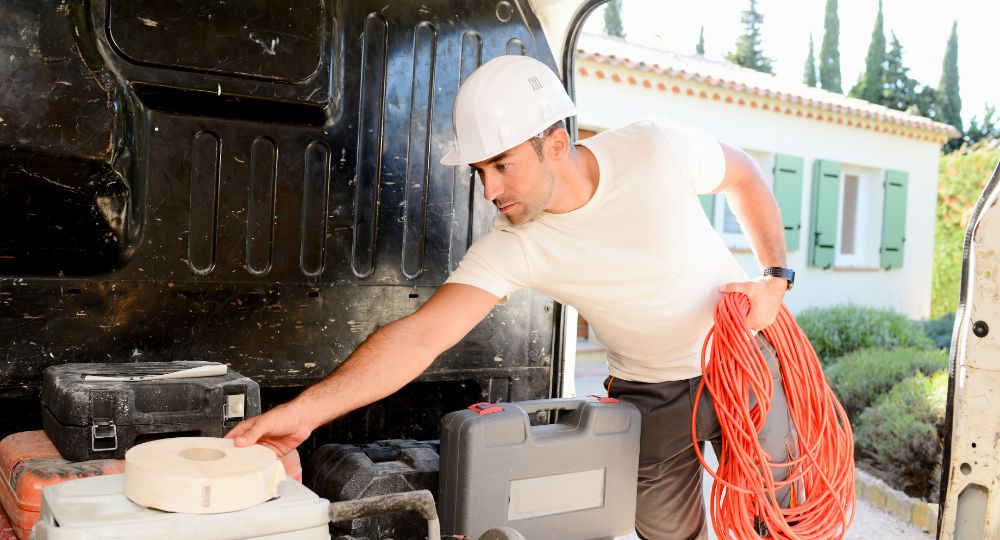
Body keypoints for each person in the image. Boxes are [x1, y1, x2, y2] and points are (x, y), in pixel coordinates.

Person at [227, 55, 797, 540]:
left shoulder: (653, 147)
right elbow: (419, 336)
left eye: (502, 165)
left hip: (744, 358)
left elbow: (744, 174)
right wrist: (301, 413)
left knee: (782, 522)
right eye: (480, 170)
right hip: (650, 394)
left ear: (555, 144)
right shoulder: (514, 245)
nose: (490, 190)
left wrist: (775, 276)